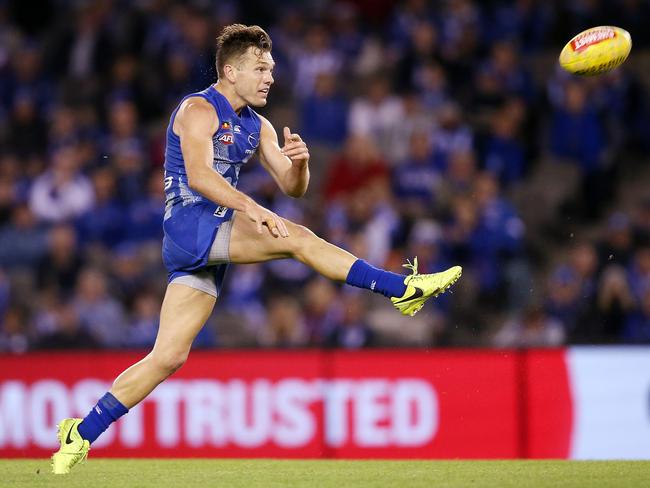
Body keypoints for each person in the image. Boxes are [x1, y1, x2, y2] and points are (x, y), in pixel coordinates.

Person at [51, 24, 462, 474]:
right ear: (231, 70)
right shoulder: (198, 109)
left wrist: (301, 165)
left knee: (168, 356)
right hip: (190, 222)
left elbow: (292, 187)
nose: (270, 77)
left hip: (211, 234)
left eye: (272, 69)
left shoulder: (258, 125)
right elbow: (199, 176)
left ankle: (81, 432)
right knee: (299, 240)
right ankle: (399, 287)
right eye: (260, 68)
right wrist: (252, 207)